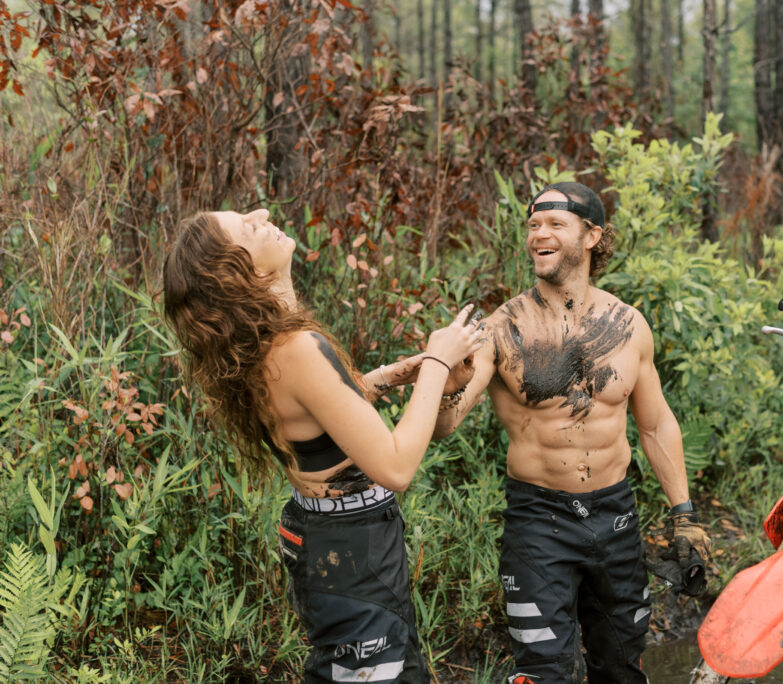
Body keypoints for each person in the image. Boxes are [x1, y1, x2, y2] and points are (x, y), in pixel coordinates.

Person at [162, 208, 483, 683]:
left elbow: (308, 419)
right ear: (239, 271)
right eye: (248, 225)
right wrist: (439, 359)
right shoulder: (293, 348)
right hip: (351, 551)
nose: (263, 213)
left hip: (327, 537)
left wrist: (376, 382)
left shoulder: (260, 344)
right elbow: (394, 467)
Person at [432, 182, 712, 684]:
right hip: (539, 522)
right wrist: (447, 387)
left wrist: (684, 514)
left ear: (591, 236)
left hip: (616, 517)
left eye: (554, 224)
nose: (539, 233)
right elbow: (444, 428)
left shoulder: (629, 325)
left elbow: (654, 423)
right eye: (533, 225)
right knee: (544, 672)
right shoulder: (501, 329)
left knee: (622, 667)